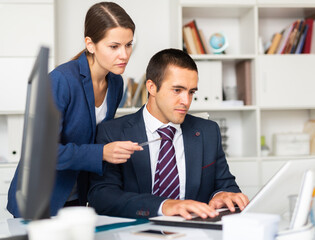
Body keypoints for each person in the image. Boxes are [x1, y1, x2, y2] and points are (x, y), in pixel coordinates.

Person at [7, 2, 142, 217]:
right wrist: (102, 153)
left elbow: (97, 135)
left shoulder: (116, 83)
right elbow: (43, 152)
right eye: (114, 46)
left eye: (128, 45)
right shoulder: (60, 81)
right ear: (90, 44)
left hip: (79, 196)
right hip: (42, 197)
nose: (124, 55)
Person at [88, 48, 249, 220]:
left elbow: (226, 185)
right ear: (152, 87)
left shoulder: (208, 131)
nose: (186, 101)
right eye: (177, 90)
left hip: (194, 233)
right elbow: (102, 197)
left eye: (191, 92)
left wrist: (222, 194)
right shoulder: (112, 132)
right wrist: (163, 206)